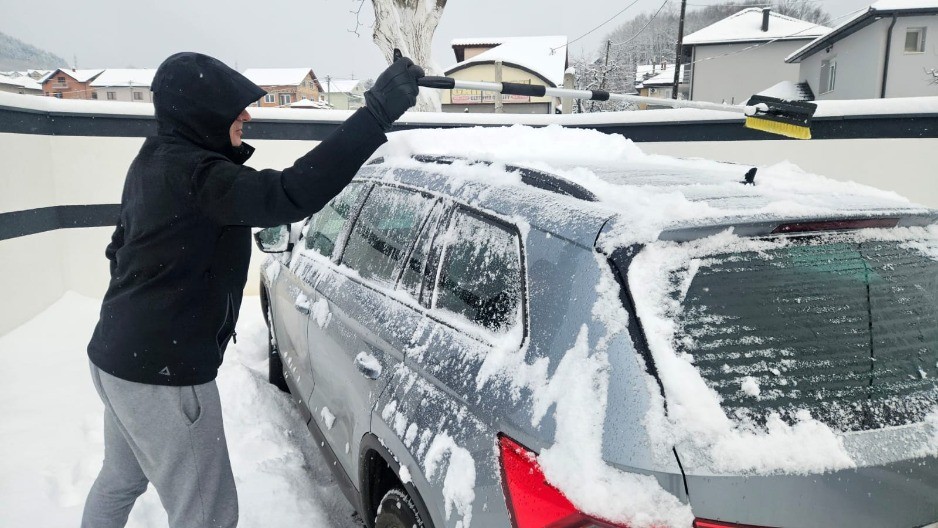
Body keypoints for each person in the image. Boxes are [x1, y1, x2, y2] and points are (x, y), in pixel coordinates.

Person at [82, 51, 424, 528]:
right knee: (207, 515)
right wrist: (375, 115)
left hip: (115, 358)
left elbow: (118, 245)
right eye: (232, 108)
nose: (245, 116)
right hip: (161, 374)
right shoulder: (199, 176)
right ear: (201, 114)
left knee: (120, 481)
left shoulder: (154, 157)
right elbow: (289, 194)